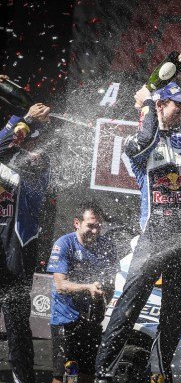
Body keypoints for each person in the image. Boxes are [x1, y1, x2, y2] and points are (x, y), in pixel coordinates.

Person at [94, 53, 181, 383]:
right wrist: (148, 101)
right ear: (160, 106)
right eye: (175, 103)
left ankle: (160, 375)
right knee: (129, 306)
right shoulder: (136, 143)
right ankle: (103, 372)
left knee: (175, 314)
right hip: (154, 236)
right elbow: (148, 138)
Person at [0, 73, 51, 383]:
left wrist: (25, 123)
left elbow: (16, 170)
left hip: (18, 245)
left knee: (18, 320)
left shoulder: (40, 157)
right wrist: (22, 119)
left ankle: (23, 378)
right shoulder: (11, 140)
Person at [47, 203, 118, 383]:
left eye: (99, 226)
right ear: (77, 223)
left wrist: (101, 301)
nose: (95, 231)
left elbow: (111, 286)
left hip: (91, 320)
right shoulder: (64, 244)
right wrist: (88, 287)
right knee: (64, 374)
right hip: (65, 319)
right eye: (91, 226)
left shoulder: (108, 246)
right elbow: (60, 285)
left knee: (87, 373)